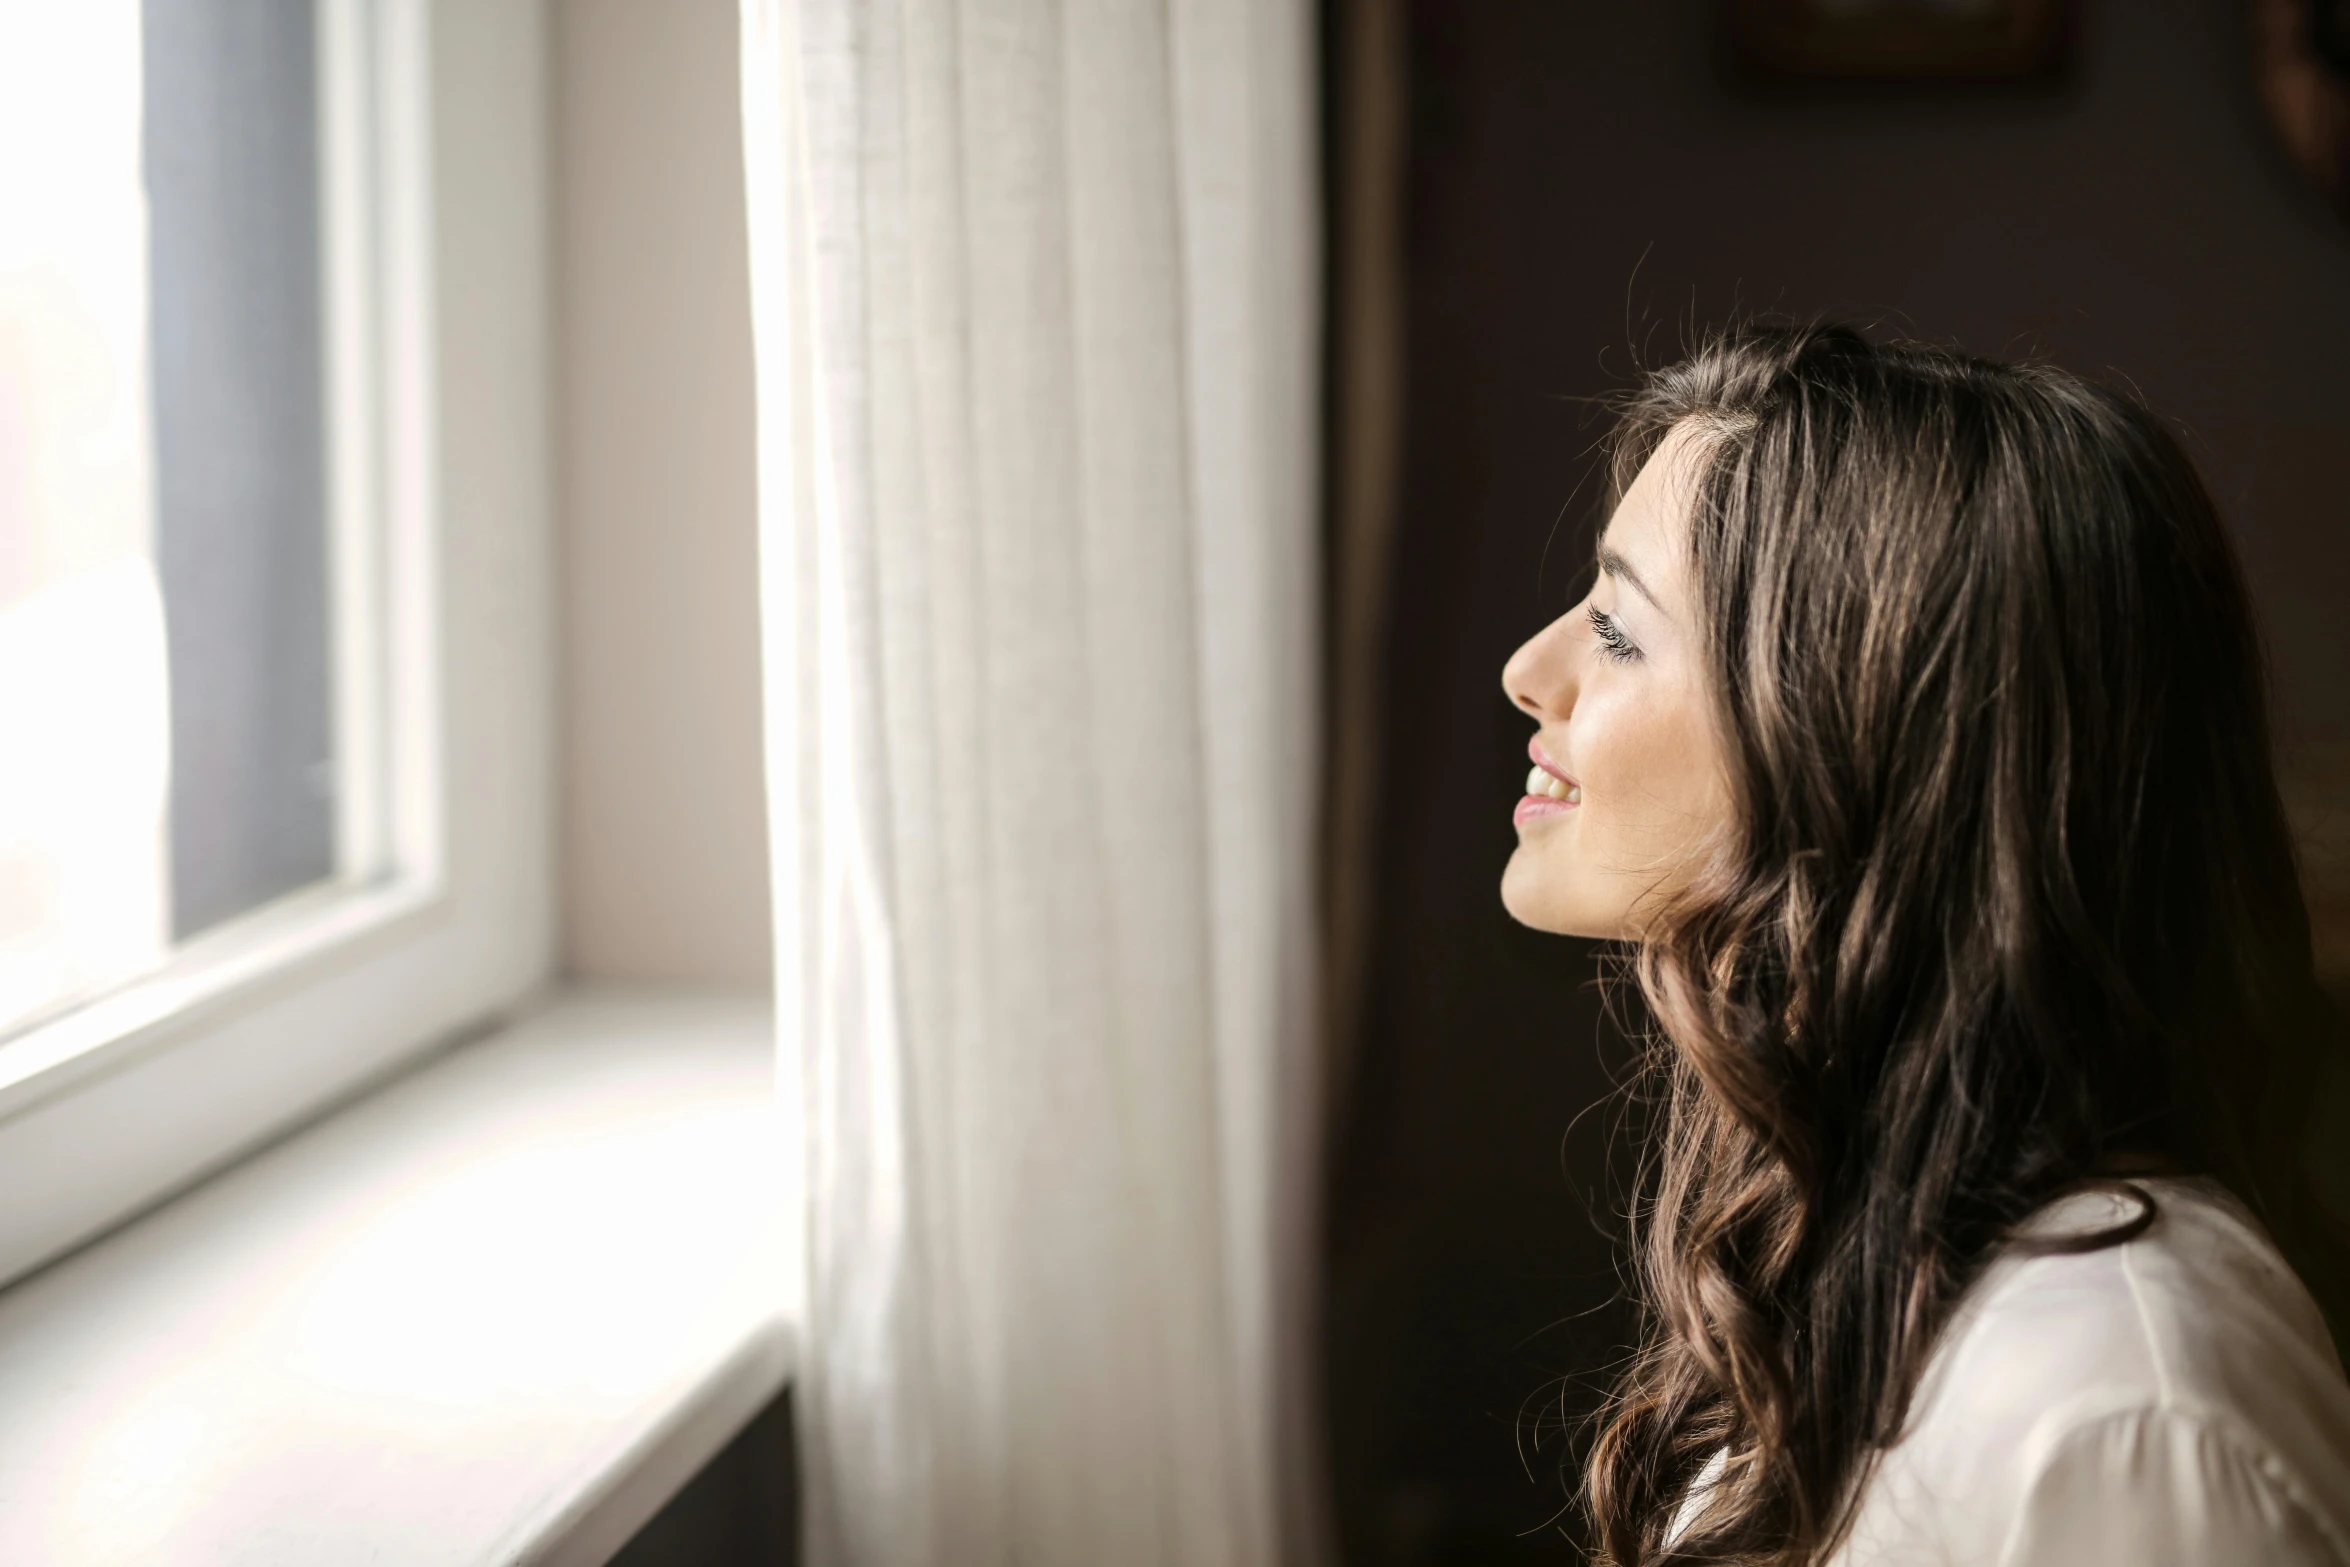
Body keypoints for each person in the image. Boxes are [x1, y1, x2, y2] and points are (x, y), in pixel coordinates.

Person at [1498, 324, 2350, 1565]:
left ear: (1856, 744)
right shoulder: (1855, 1263)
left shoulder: (2114, 1406)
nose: (1532, 669)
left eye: (1619, 630)